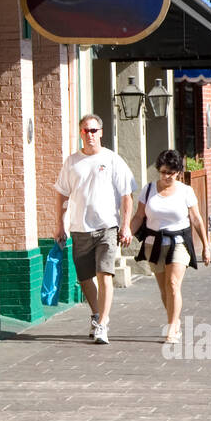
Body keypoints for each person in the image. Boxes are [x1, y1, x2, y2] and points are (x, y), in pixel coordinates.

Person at [54, 115, 135, 345]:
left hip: (107, 226)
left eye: (93, 130)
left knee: (105, 274)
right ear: (80, 133)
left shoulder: (112, 159)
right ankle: (96, 314)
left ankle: (103, 323)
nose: (89, 135)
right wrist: (60, 224)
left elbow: (126, 195)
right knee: (85, 278)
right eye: (85, 131)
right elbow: (61, 193)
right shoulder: (72, 162)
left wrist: (126, 225)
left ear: (101, 132)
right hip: (79, 228)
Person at [132, 150, 211, 344]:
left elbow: (196, 219)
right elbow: (139, 216)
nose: (167, 176)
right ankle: (174, 321)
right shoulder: (148, 189)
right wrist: (126, 233)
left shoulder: (186, 191)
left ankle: (172, 329)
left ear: (178, 172)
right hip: (154, 244)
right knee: (164, 290)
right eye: (164, 172)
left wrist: (206, 246)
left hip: (178, 242)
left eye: (171, 172)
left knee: (174, 285)